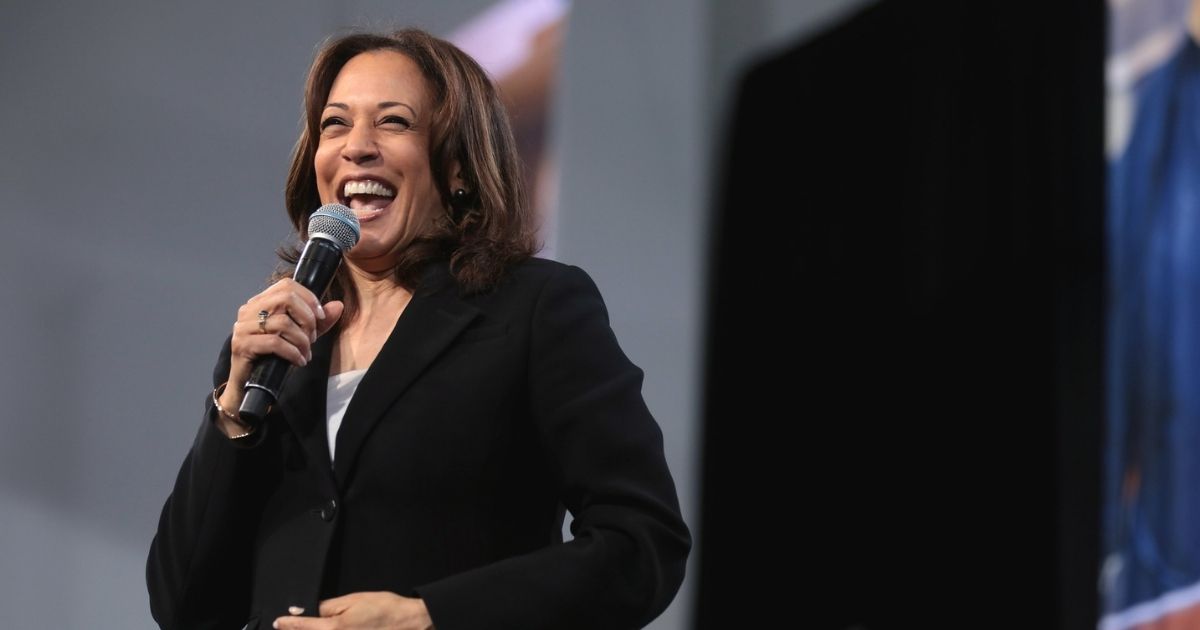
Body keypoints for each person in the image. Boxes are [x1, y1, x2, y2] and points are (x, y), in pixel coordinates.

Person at [146, 27, 691, 630]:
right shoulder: (276, 345)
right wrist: (231, 412)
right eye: (335, 124)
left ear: (456, 167)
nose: (357, 147)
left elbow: (642, 545)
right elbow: (183, 605)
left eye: (394, 122)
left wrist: (432, 617)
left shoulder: (535, 309)